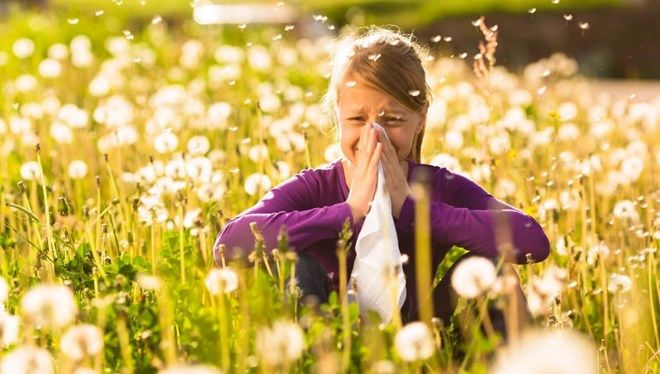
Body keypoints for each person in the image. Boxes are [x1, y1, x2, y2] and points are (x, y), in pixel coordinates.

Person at [213, 27, 550, 334]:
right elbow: (228, 244)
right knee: (293, 266)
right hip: (326, 336)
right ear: (338, 117)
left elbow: (532, 240)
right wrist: (349, 211)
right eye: (358, 119)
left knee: (492, 270)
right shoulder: (316, 187)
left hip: (423, 337)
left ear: (420, 120)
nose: (374, 135)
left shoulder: (439, 186)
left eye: (391, 119)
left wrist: (415, 210)